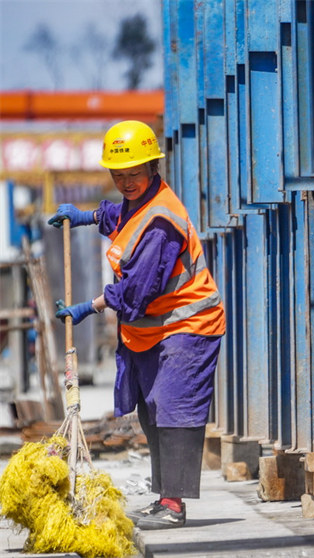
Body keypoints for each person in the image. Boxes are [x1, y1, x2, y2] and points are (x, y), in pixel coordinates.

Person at [48, 120, 226, 530]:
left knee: (172, 406)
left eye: (134, 174)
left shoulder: (162, 223)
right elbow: (120, 217)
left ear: (152, 169)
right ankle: (164, 496)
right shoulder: (140, 202)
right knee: (151, 411)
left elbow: (136, 293)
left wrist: (89, 307)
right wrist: (87, 215)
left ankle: (174, 505)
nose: (126, 182)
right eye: (119, 175)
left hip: (189, 324)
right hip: (156, 328)